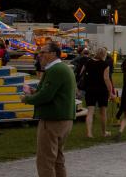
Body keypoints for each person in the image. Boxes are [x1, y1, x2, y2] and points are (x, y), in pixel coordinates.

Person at [22, 42, 76, 177]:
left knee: (45, 160)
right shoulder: (63, 68)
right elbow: (53, 92)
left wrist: (26, 99)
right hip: (64, 119)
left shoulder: (55, 70)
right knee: (58, 159)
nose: (39, 56)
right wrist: (35, 91)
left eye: (43, 52)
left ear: (52, 54)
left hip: (53, 120)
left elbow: (46, 96)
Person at [82, 47, 114, 138]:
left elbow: (82, 73)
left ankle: (89, 133)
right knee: (103, 112)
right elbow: (106, 79)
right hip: (102, 90)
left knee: (90, 112)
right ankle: (104, 132)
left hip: (90, 89)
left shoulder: (88, 62)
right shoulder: (105, 64)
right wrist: (110, 91)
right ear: (104, 54)